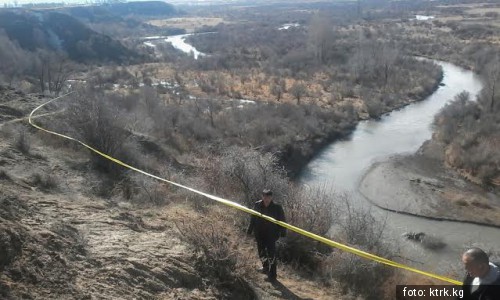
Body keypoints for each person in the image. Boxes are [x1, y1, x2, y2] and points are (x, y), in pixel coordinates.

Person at [247, 189, 286, 282]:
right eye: (265, 197)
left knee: (271, 254)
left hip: (271, 235)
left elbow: (282, 221)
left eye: (268, 197)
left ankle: (273, 275)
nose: (266, 199)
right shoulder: (257, 204)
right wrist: (249, 230)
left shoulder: (277, 207)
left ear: (271, 197)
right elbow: (253, 218)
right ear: (262, 196)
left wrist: (283, 233)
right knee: (261, 251)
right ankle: (265, 267)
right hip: (259, 233)